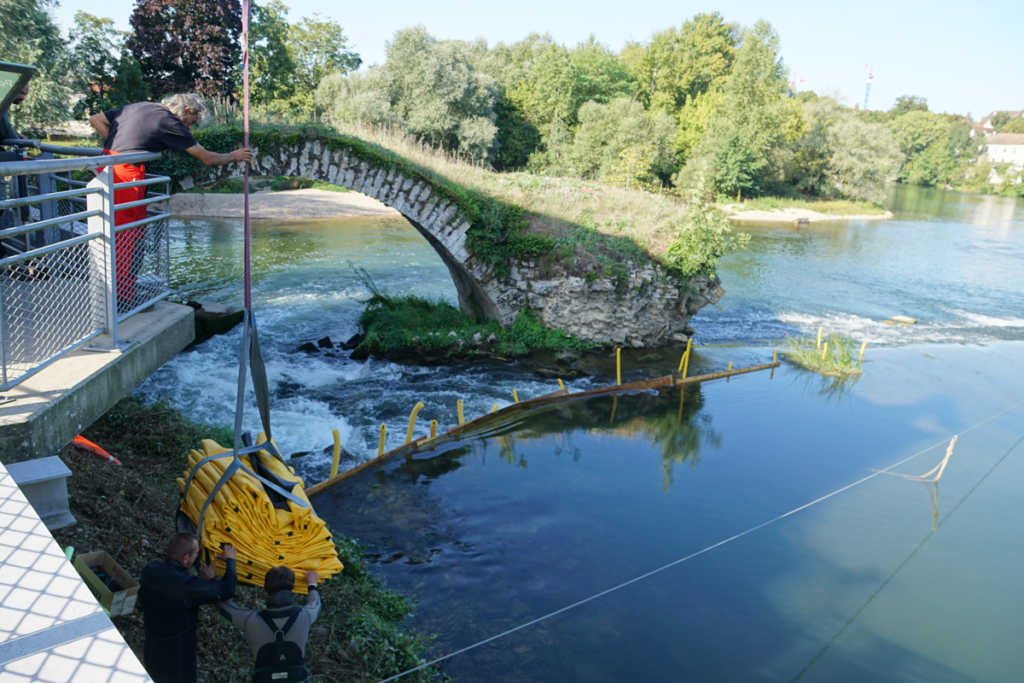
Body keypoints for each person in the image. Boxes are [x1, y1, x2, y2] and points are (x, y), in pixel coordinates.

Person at [87, 94, 252, 307]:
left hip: (107, 169)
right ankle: (120, 299)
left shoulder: (141, 106)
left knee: (126, 233)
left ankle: (123, 294)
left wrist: (120, 151)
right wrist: (234, 156)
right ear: (186, 110)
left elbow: (96, 119)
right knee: (127, 236)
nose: (189, 128)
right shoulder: (169, 121)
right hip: (126, 176)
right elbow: (207, 157)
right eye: (192, 122)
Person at [139, 533, 238, 683]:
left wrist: (209, 581)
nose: (198, 556)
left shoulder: (150, 570)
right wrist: (230, 560)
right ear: (185, 559)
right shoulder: (186, 587)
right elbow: (227, 589)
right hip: (177, 661)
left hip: (151, 651)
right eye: (196, 553)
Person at [217, 566, 321, 683]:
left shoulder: (250, 620)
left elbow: (223, 604)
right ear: (292, 587)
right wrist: (312, 584)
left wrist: (214, 578)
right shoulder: (305, 616)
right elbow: (315, 603)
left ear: (266, 587)